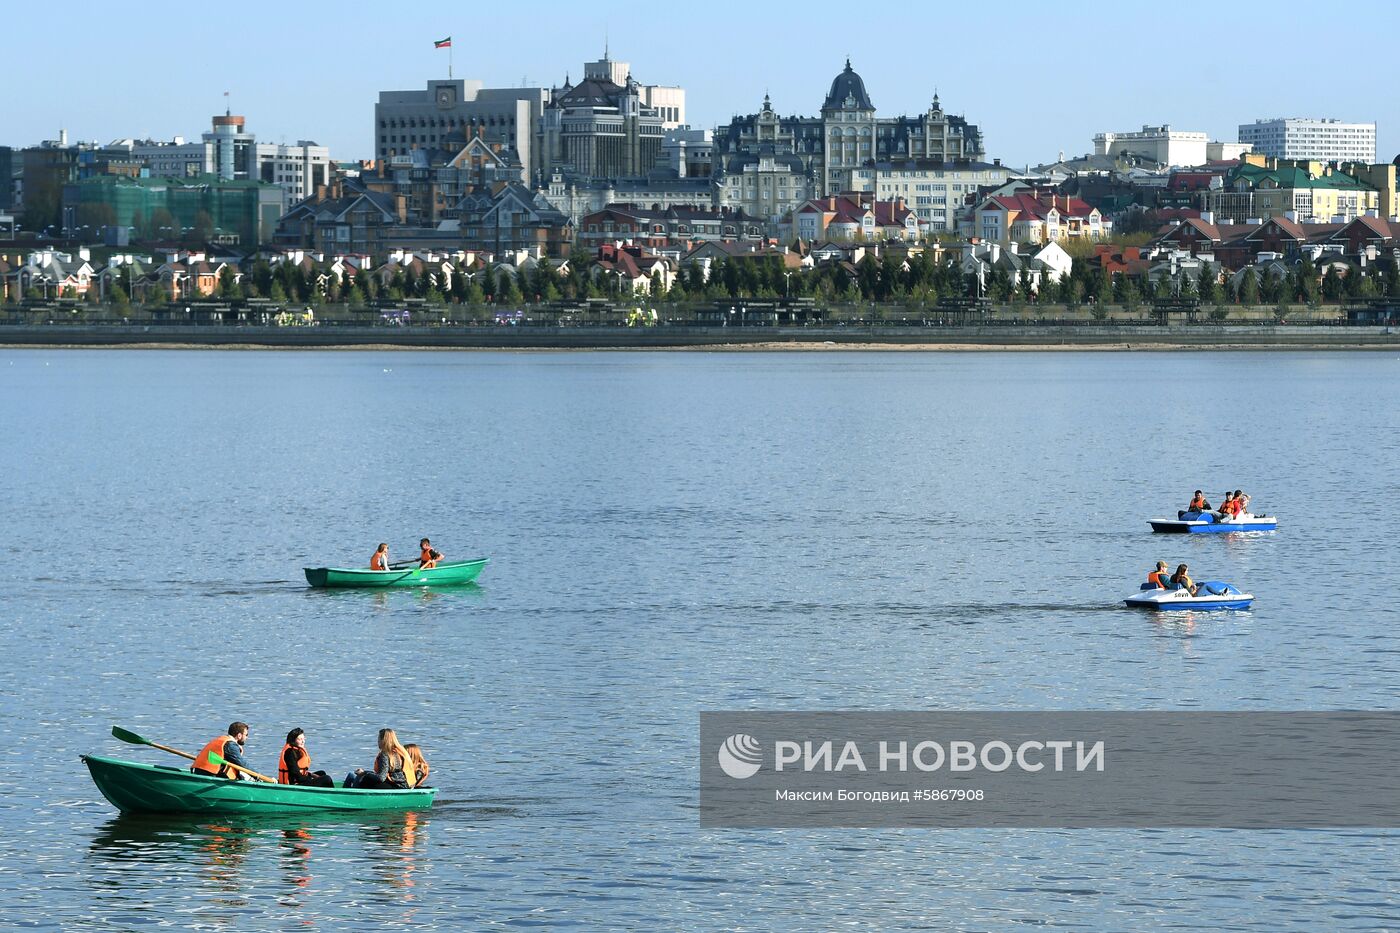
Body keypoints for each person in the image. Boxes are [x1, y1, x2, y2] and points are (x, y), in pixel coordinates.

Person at [346, 728, 419, 790]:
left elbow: (381, 778)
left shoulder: (385, 755)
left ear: (383, 740)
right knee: (356, 776)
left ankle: (350, 797)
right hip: (403, 785)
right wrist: (365, 772)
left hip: (395, 786)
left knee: (361, 778)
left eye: (378, 739)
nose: (377, 741)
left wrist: (364, 773)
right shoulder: (398, 752)